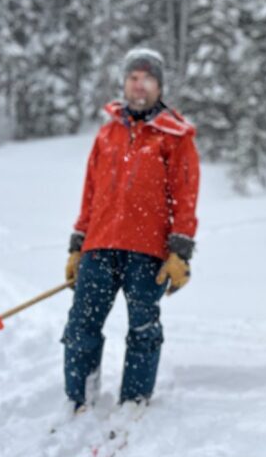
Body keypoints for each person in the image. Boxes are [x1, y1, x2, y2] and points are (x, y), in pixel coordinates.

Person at [62, 47, 200, 410]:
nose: (140, 87)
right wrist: (78, 244)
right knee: (80, 328)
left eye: (148, 79)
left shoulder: (175, 136)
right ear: (124, 83)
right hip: (99, 246)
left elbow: (185, 197)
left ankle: (133, 401)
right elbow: (90, 193)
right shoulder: (107, 135)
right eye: (133, 78)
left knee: (143, 329)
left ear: (160, 86)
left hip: (147, 251)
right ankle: (79, 399)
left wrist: (180, 253)